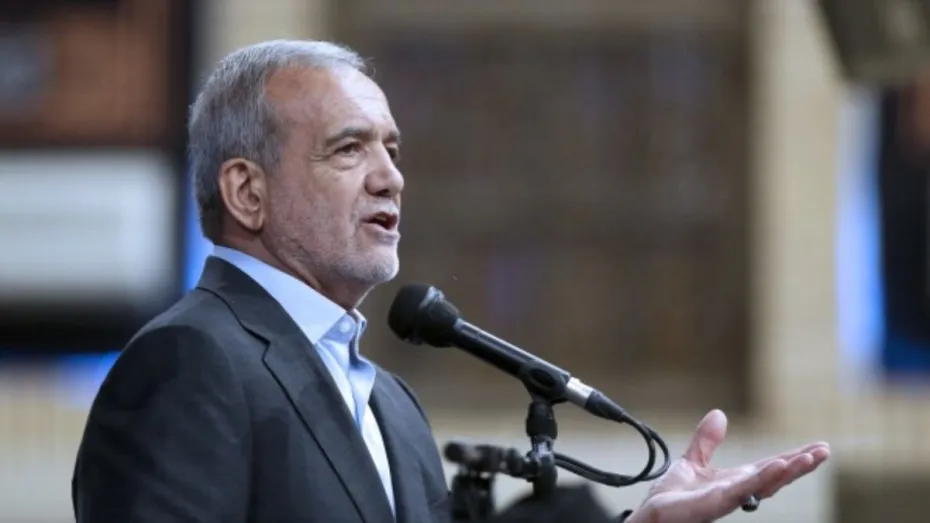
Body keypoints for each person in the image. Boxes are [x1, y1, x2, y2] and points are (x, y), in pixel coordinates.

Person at [70, 40, 830, 523]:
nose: (390, 177)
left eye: (392, 149)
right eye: (348, 149)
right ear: (246, 191)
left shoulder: (391, 404)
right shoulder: (188, 362)